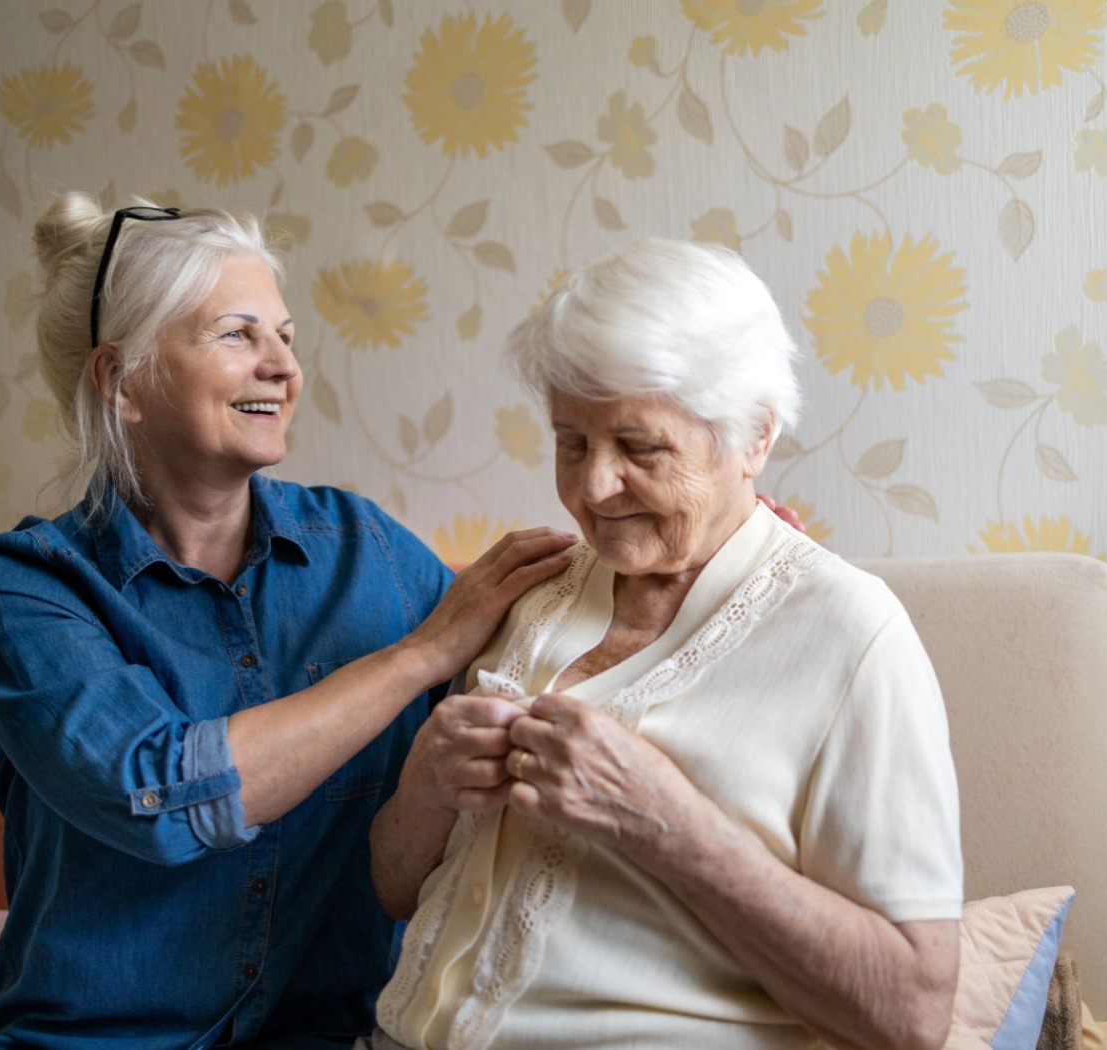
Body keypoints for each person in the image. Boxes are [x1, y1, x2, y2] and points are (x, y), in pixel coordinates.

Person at [0, 194, 578, 1049]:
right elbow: (162, 799)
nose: (283, 368)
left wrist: (715, 557)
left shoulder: (365, 549)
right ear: (121, 380)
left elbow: (553, 646)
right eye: (237, 334)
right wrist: (414, 658)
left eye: (286, 337)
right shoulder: (26, 588)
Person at [363, 238, 964, 1050]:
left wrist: (666, 823)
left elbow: (912, 1015)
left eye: (640, 448)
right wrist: (430, 778)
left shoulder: (852, 634)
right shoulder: (527, 589)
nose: (592, 487)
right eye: (570, 442)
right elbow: (395, 891)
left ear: (754, 437)